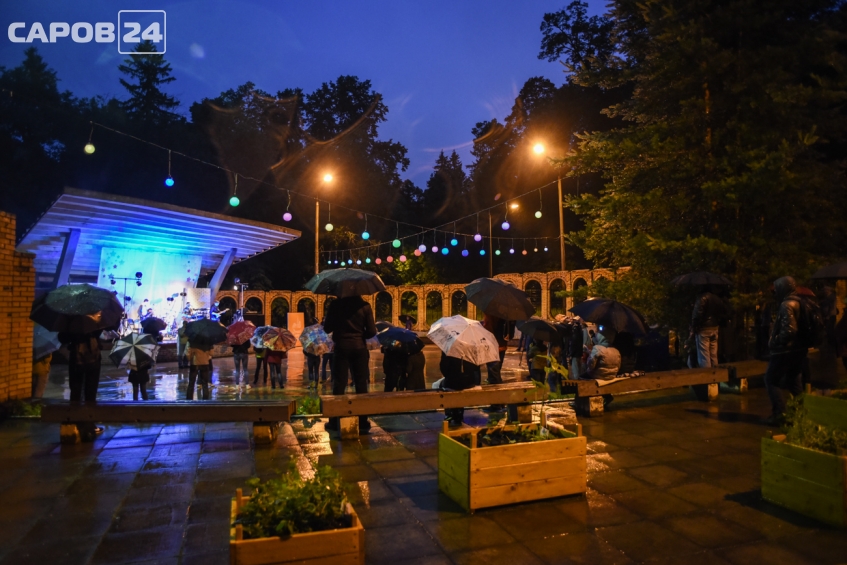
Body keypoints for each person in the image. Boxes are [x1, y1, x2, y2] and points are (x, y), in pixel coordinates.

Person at [323, 295, 378, 433]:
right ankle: (363, 421)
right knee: (361, 384)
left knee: (339, 384)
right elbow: (372, 331)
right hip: (359, 347)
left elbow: (327, 328)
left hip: (341, 347)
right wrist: (360, 335)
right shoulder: (365, 306)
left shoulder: (336, 305)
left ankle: (335, 421)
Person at [764, 276, 808, 425]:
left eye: (777, 289)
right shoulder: (800, 301)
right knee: (794, 381)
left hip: (785, 350)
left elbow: (789, 330)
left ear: (783, 288)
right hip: (799, 349)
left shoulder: (786, 304)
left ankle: (779, 414)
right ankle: (801, 413)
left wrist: (775, 341)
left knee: (771, 379)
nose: (775, 293)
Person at [580, 328, 622, 407]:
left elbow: (591, 365)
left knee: (581, 378)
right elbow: (618, 365)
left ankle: (581, 400)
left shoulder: (598, 348)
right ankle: (607, 396)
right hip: (611, 375)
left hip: (598, 375)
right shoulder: (616, 350)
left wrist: (589, 356)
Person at [59, 331, 102, 403]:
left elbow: (62, 338)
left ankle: (77, 408)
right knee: (89, 392)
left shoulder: (73, 325)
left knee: (77, 392)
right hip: (91, 358)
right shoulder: (94, 326)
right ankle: (88, 408)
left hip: (79, 359)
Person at [690, 285, 727, 368]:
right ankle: (716, 373)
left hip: (704, 329)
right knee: (713, 354)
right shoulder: (717, 299)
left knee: (704, 355)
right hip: (714, 327)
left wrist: (694, 327)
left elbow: (697, 315)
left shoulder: (702, 298)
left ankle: (707, 374)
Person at [439, 352, 478, 426]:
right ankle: (459, 414)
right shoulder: (470, 349)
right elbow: (476, 368)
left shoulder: (448, 350)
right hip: (468, 382)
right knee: (460, 387)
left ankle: (449, 413)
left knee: (443, 385)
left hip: (452, 382)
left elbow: (443, 368)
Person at [482, 313, 508, 384]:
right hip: (502, 344)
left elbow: (487, 329)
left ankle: (494, 384)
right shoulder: (506, 315)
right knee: (497, 367)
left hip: (492, 345)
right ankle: (497, 381)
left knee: (493, 368)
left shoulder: (490, 314)